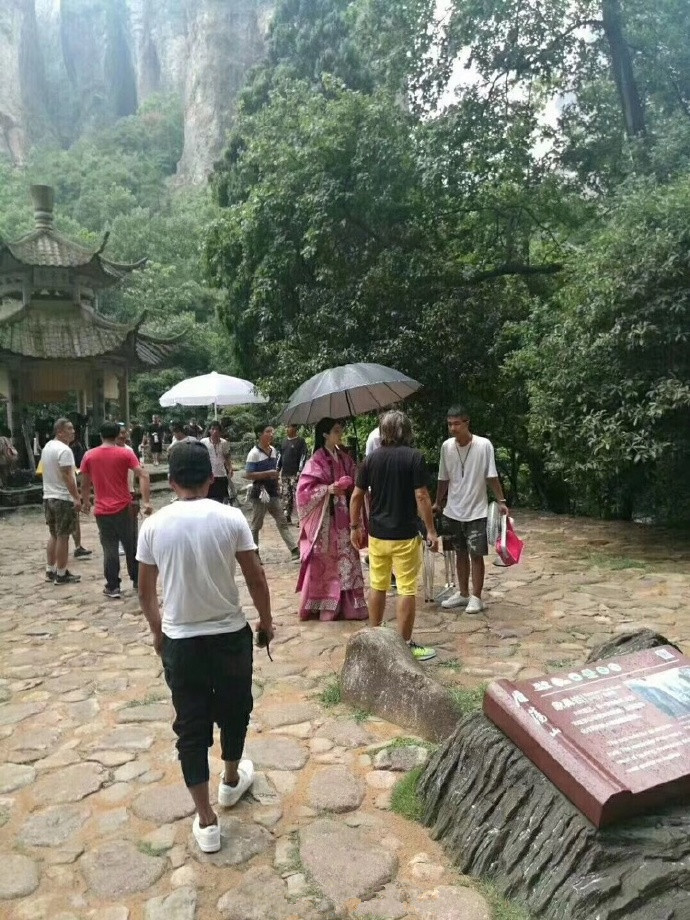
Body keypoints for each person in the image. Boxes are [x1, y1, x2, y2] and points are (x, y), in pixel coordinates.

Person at [136, 441, 273, 854]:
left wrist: (158, 631)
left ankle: (207, 820)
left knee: (191, 727)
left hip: (181, 641)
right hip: (229, 635)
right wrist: (266, 621)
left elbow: (145, 591)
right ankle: (230, 780)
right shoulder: (231, 518)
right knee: (235, 709)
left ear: (171, 480)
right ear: (211, 478)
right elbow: (255, 577)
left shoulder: (154, 526)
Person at [350, 410, 438, 661]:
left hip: (377, 535)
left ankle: (374, 641)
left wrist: (355, 527)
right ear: (406, 431)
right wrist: (431, 530)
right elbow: (421, 496)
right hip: (405, 534)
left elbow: (356, 496)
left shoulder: (370, 460)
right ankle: (405, 645)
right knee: (406, 588)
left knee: (378, 585)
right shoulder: (414, 457)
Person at [436, 406, 508, 614]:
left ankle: (476, 596)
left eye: (457, 424)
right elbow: (443, 478)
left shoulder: (483, 445)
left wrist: (501, 500)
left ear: (467, 423)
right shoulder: (446, 447)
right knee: (459, 553)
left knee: (476, 554)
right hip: (453, 510)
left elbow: (491, 475)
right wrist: (438, 502)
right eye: (450, 424)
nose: (453, 428)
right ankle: (463, 593)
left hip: (477, 511)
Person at [295, 418, 367, 621]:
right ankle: (325, 606)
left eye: (340, 430)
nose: (340, 433)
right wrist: (327, 489)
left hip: (345, 516)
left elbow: (357, 481)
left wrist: (358, 476)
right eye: (336, 430)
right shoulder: (315, 460)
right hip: (326, 521)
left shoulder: (345, 458)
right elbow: (303, 491)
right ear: (325, 434)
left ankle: (350, 606)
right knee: (326, 562)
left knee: (347, 560)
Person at [80, 421, 153, 599]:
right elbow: (143, 474)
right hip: (124, 507)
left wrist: (86, 501)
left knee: (109, 548)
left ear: (100, 435)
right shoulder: (125, 453)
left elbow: (84, 482)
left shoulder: (89, 455)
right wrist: (146, 501)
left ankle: (113, 586)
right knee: (131, 546)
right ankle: (137, 580)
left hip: (102, 510)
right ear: (117, 435)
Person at [245, 424, 299, 561]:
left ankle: (294, 549)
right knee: (256, 525)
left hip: (272, 491)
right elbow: (249, 474)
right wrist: (267, 473)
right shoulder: (254, 454)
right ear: (260, 434)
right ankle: (254, 553)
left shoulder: (273, 450)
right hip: (259, 492)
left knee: (282, 521)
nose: (271, 434)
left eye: (271, 432)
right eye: (267, 432)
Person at [40, 418, 82, 585]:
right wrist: (76, 497)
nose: (73, 431)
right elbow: (67, 476)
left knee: (54, 534)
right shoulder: (64, 450)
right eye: (69, 429)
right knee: (63, 536)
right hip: (62, 498)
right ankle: (62, 573)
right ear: (59, 432)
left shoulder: (47, 447)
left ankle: (50, 569)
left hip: (48, 496)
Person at [278, 424, 309, 524]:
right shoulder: (284, 442)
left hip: (295, 474)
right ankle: (287, 516)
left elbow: (303, 456)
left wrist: (300, 470)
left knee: (297, 495)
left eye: (289, 427)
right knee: (286, 495)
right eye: (286, 427)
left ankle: (301, 518)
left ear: (295, 428)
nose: (287, 429)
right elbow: (280, 456)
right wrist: (277, 469)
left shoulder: (300, 441)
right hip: (285, 474)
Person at [201, 421, 233, 503]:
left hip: (221, 474)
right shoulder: (204, 442)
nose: (215, 431)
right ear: (209, 430)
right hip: (208, 475)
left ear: (220, 431)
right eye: (213, 429)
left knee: (221, 499)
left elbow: (227, 457)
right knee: (208, 499)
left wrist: (230, 468)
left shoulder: (224, 443)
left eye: (217, 429)